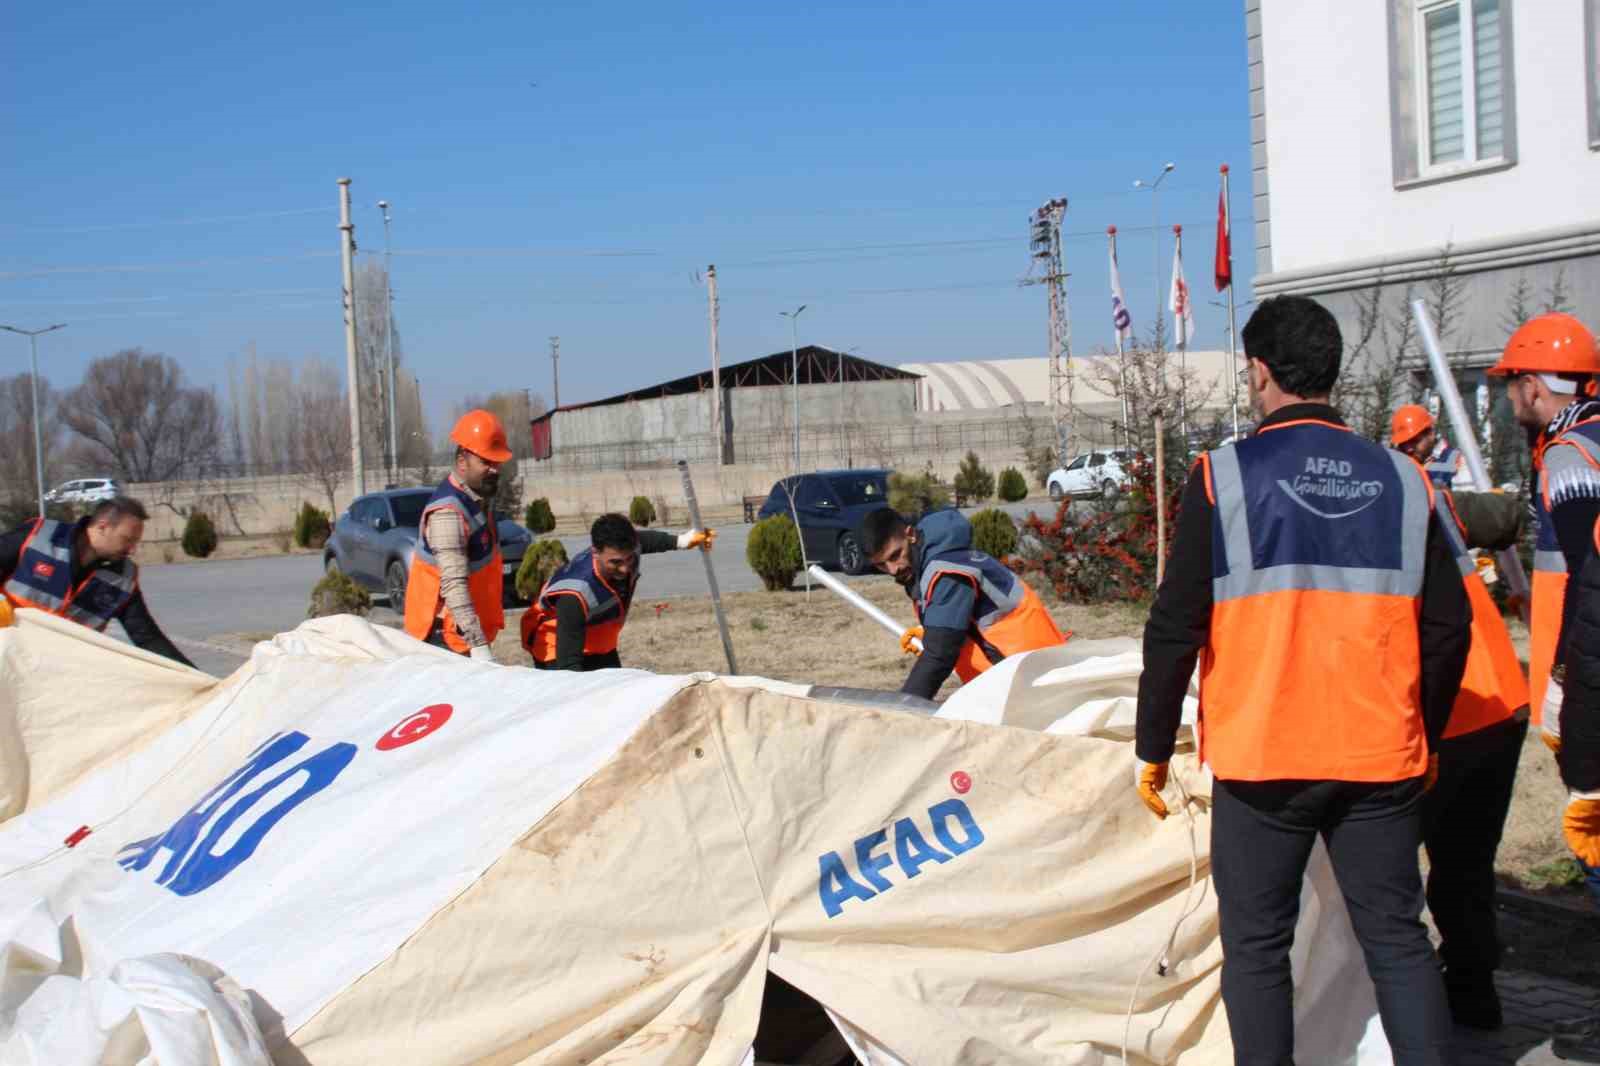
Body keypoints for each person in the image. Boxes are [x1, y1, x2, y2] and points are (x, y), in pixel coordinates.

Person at [1136, 295, 1469, 1065]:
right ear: (1330, 371)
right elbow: (1448, 630)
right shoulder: (1406, 480)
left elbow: (1175, 622)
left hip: (1263, 759)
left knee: (1257, 952)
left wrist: (1153, 743)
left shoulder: (1222, 477)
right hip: (1380, 756)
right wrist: (1427, 736)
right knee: (1397, 941)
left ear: (1259, 372)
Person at [1485, 312, 1600, 911]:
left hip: (1586, 668)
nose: (1507, 396)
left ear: (1533, 385)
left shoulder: (1570, 456)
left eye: (1510, 383)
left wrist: (1565, 677)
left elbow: (1588, 577)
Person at [1416, 487, 1530, 1028]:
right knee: (1467, 866)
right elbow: (1507, 516)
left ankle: (1405, 1007)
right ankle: (1474, 995)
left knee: (1383, 872)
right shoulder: (1425, 492)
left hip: (1443, 710)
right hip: (1501, 701)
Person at [859, 506, 1065, 700]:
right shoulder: (929, 561)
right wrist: (930, 630)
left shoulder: (946, 572)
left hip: (1030, 678)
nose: (893, 569)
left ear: (911, 535)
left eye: (895, 555)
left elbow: (940, 655)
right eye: (881, 565)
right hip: (1010, 675)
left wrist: (903, 708)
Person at [0, 496, 194, 667]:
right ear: (102, 527)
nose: (132, 549)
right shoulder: (39, 537)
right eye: (127, 539)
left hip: (55, 675)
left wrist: (197, 678)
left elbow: (148, 637)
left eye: (135, 542)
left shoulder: (123, 579)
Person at [521, 512, 714, 671]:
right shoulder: (575, 593)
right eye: (615, 562)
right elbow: (568, 667)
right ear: (595, 552)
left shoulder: (625, 550)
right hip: (556, 648)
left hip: (600, 642)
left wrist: (682, 541)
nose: (624, 569)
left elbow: (643, 541)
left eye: (629, 559)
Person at [403, 409, 514, 659]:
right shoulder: (448, 513)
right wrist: (477, 644)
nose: (495, 469)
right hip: (446, 638)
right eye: (486, 462)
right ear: (462, 461)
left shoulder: (477, 500)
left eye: (497, 462)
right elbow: (453, 584)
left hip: (462, 637)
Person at [1390, 403, 1465, 488]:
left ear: (1431, 434)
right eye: (1403, 444)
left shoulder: (1454, 460)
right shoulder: (1398, 464)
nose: (1408, 449)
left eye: (1414, 441)